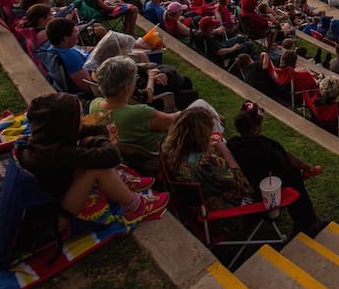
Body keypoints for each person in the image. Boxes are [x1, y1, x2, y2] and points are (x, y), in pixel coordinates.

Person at [17, 93, 168, 225]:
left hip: (54, 199)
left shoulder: (46, 140)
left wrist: (93, 135)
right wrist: (97, 140)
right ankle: (136, 207)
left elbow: (90, 131)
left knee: (87, 148)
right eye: (79, 117)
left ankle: (119, 183)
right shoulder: (59, 153)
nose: (83, 119)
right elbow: (111, 157)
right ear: (65, 125)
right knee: (96, 167)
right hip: (53, 221)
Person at [227, 101, 323, 234]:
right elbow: (285, 160)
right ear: (256, 128)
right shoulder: (264, 145)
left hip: (247, 187)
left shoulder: (232, 144)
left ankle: (308, 172)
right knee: (293, 174)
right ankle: (307, 223)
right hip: (262, 193)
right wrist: (306, 168)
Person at [162, 107, 254, 212]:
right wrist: (225, 150)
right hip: (224, 213)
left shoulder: (170, 150)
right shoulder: (208, 162)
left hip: (190, 204)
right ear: (203, 134)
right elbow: (244, 186)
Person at [86, 56, 176, 152]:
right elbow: (175, 121)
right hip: (157, 156)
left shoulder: (94, 105)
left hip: (124, 159)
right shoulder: (140, 113)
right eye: (135, 78)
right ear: (126, 88)